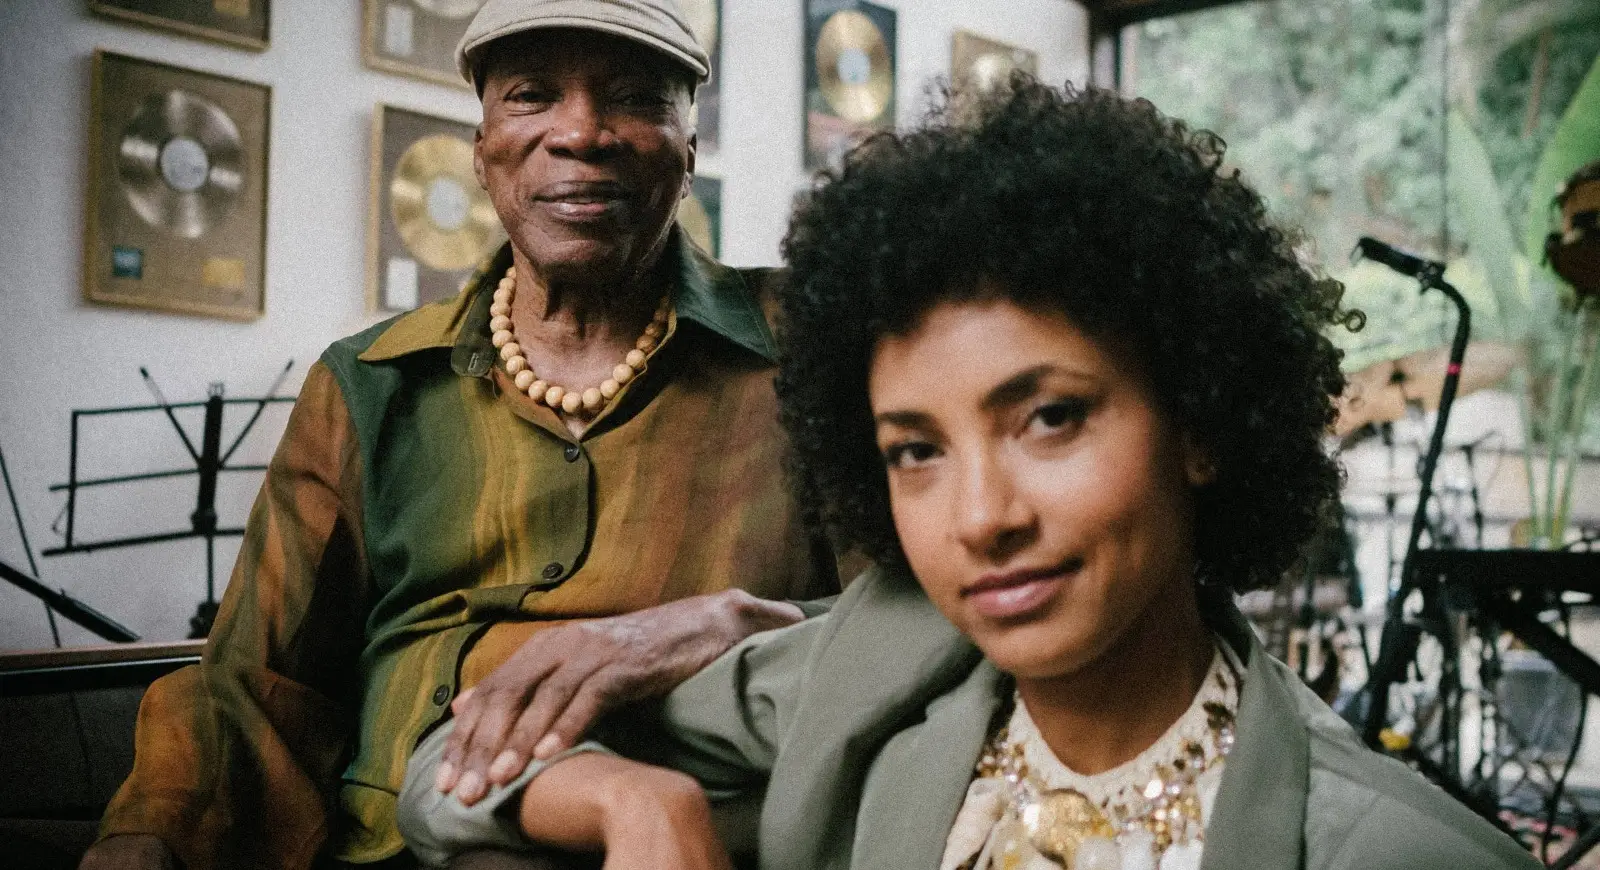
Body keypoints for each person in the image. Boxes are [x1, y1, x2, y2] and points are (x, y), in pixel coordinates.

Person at [397, 80, 1540, 870]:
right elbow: (449, 765)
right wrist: (637, 797)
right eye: (916, 450)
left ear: (1197, 421)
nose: (980, 519)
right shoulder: (876, 664)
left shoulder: (1397, 849)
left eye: (1049, 418)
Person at [80, 2, 837, 868]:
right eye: (532, 95)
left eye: (635, 97)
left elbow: (928, 618)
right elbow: (254, 675)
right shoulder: (369, 384)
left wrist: (730, 621)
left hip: (727, 826)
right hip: (414, 835)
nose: (582, 132)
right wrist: (144, 839)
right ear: (482, 152)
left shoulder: (812, 349)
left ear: (688, 151)